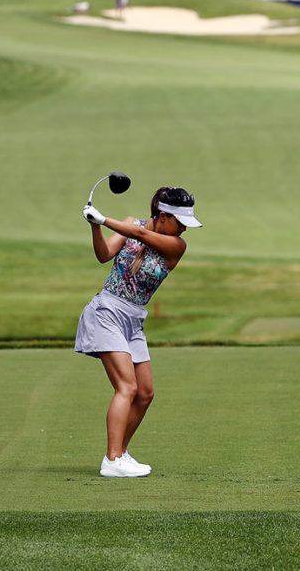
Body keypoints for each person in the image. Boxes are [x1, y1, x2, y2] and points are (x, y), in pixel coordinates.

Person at [75, 186, 202, 477]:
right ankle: (111, 460)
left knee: (145, 393)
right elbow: (104, 254)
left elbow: (142, 235)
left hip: (133, 320)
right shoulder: (131, 223)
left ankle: (121, 453)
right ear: (162, 216)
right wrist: (96, 227)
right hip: (107, 311)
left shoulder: (177, 246)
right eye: (180, 222)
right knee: (127, 388)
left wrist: (104, 218)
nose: (184, 229)